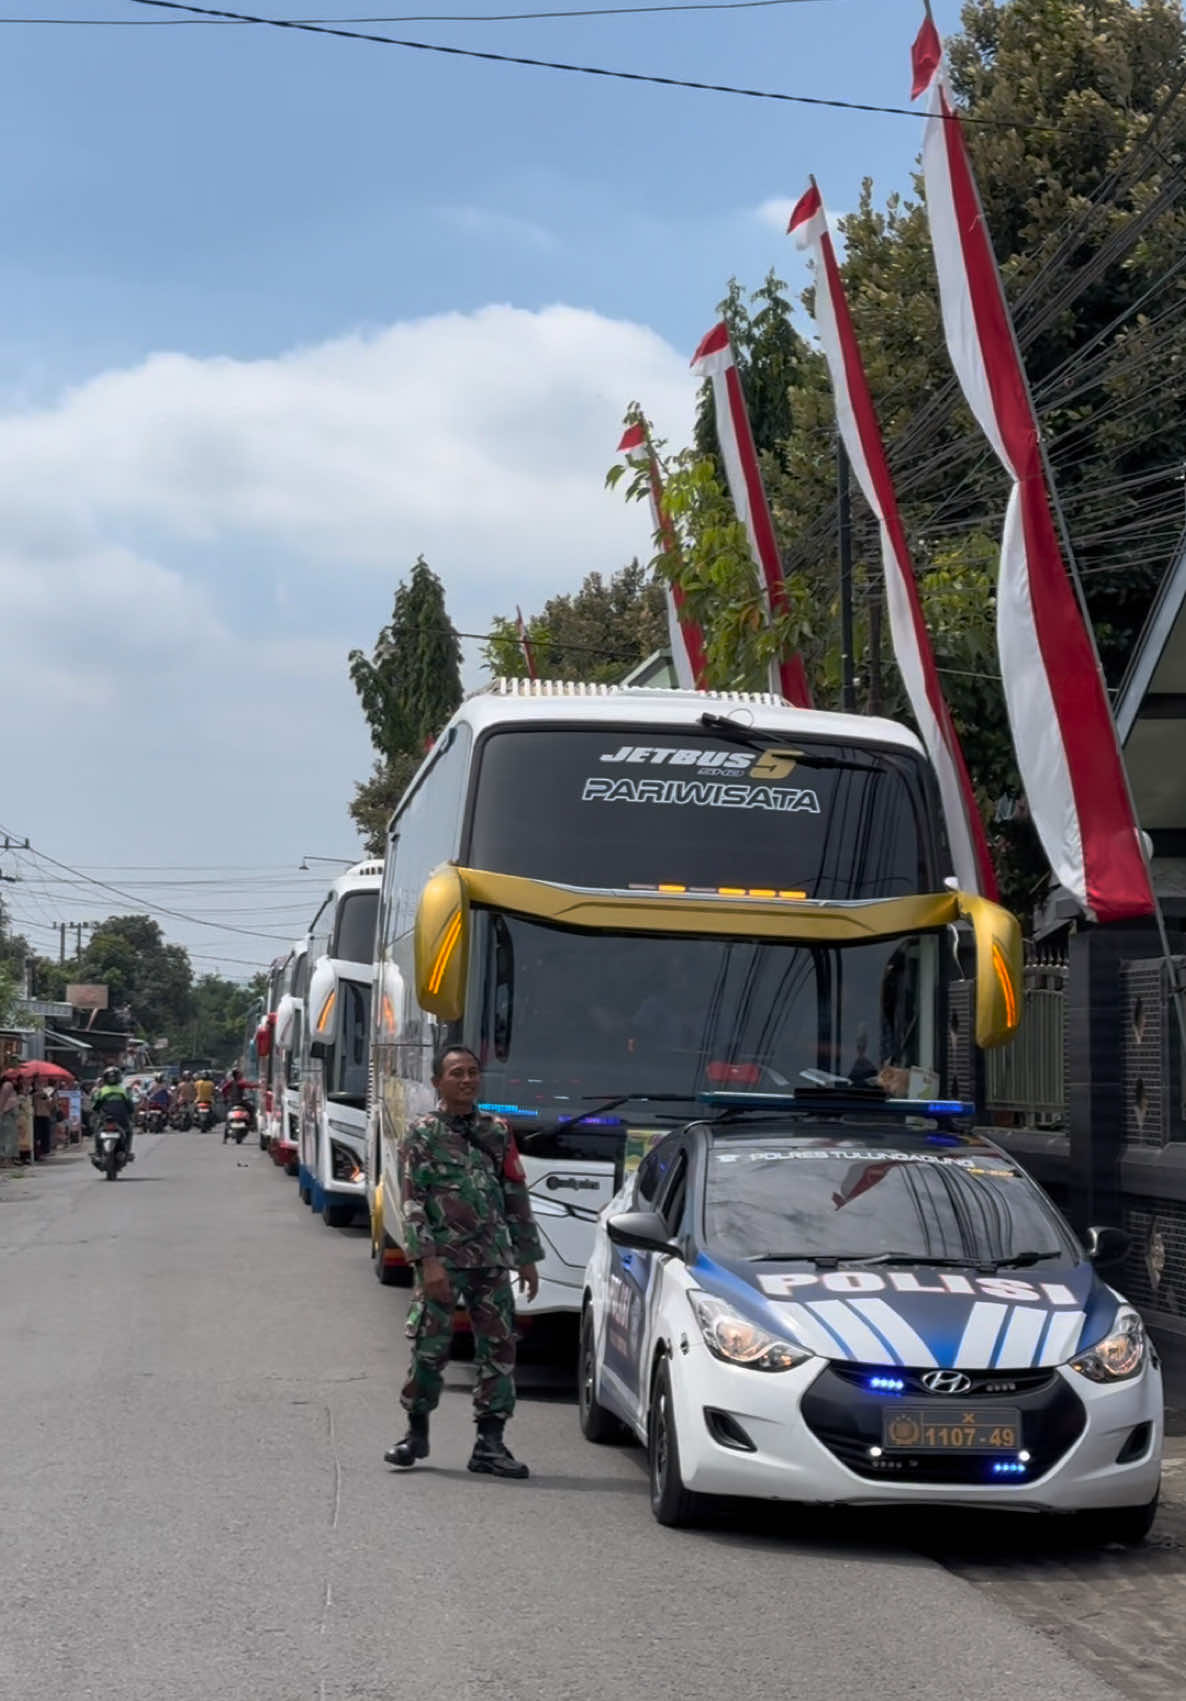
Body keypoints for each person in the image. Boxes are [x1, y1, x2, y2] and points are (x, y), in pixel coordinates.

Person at [385, 1045, 542, 1479]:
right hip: (443, 1261)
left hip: (490, 1259)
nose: (467, 1080)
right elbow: (412, 1201)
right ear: (438, 1083)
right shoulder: (421, 1134)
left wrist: (526, 1257)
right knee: (430, 1350)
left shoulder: (497, 1131)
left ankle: (490, 1445)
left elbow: (514, 1193)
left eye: (473, 1072)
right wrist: (427, 1261)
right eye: (456, 1073)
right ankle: (415, 1433)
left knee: (499, 1349)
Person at [91, 1066, 135, 1161]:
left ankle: (98, 1153)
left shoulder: (102, 1091)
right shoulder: (123, 1091)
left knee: (97, 1133)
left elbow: (96, 1106)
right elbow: (130, 1107)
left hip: (105, 1119)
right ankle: (126, 1152)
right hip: (121, 1119)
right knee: (128, 1131)